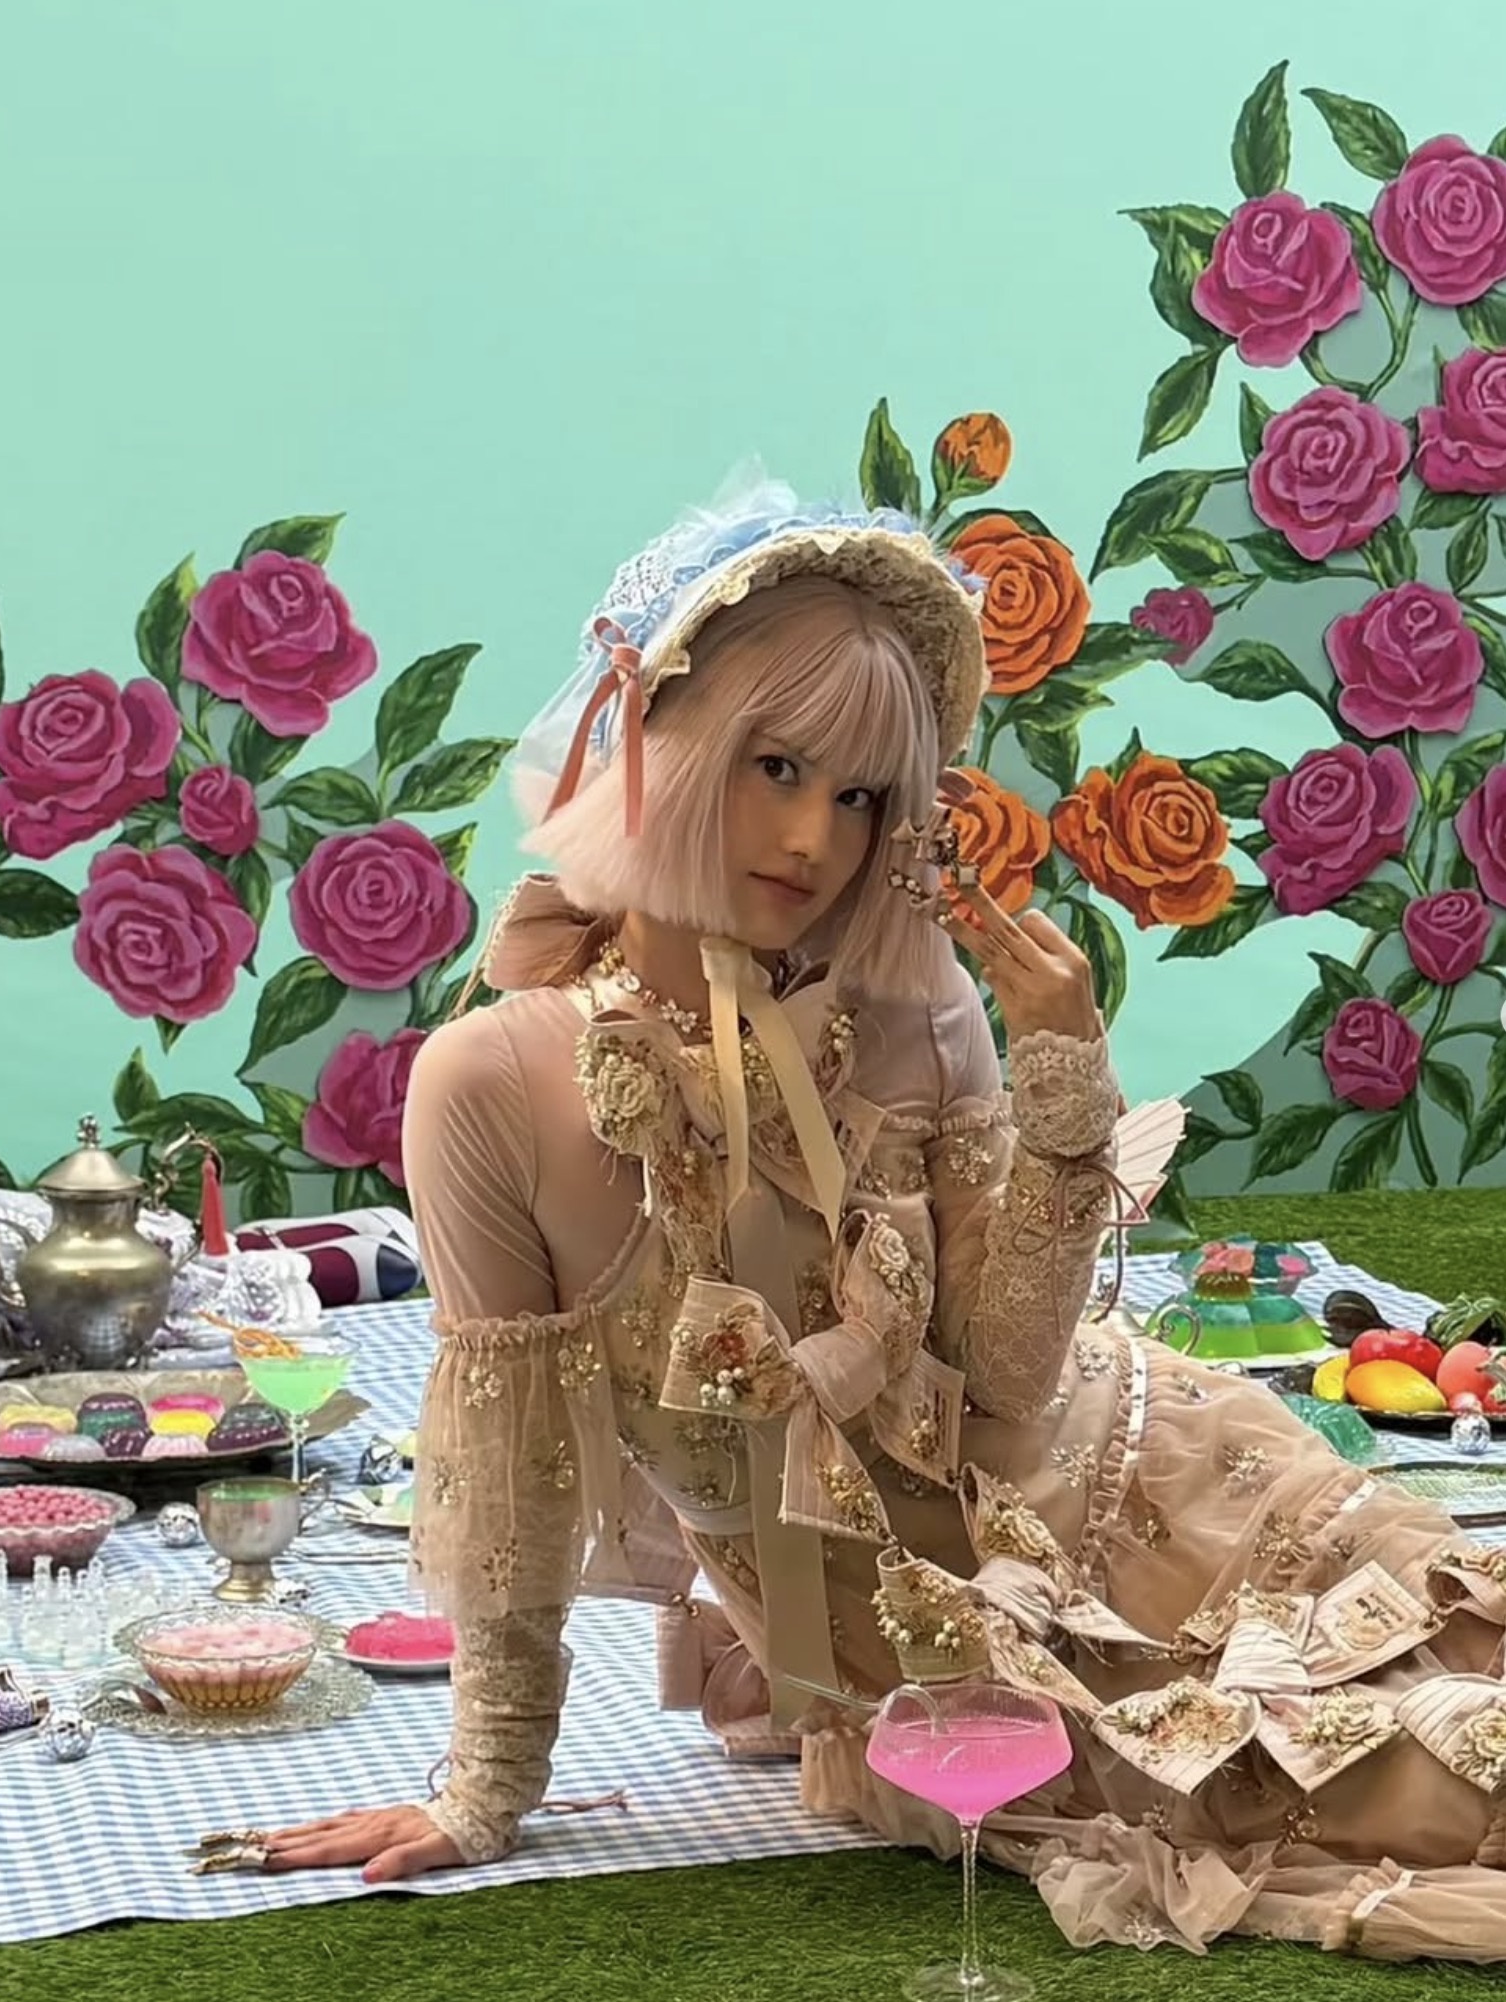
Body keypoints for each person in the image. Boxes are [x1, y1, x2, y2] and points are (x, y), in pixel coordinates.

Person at [262, 485, 1506, 1964]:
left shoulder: (919, 1006)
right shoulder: (494, 1079)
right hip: (949, 1648)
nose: (812, 837)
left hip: (1168, 1467)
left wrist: (1063, 1090)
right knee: (1418, 1789)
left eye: (860, 797)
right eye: (775, 766)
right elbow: (512, 1478)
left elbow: (1010, 1372)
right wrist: (484, 1790)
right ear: (657, 741)